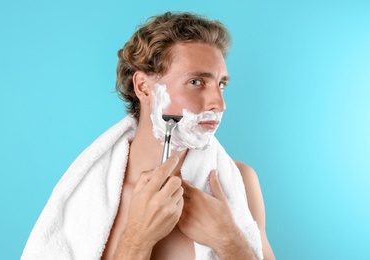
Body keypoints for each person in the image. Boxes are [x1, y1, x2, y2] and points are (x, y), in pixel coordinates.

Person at [22, 12, 275, 260]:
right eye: (197, 82)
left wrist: (227, 239)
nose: (219, 104)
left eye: (221, 85)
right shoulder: (88, 198)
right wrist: (138, 238)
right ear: (144, 87)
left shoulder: (240, 182)